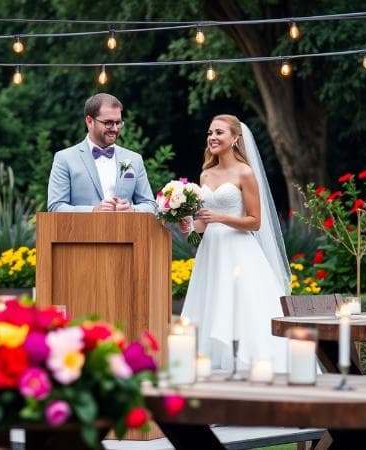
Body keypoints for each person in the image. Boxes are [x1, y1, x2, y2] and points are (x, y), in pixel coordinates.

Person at [180, 114, 292, 372]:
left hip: (239, 250)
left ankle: (248, 362)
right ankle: (211, 363)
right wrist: (188, 227)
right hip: (211, 253)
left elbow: (255, 221)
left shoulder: (245, 173)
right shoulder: (205, 175)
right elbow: (201, 227)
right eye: (210, 133)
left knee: (241, 307)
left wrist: (220, 217)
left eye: (219, 132)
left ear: (235, 138)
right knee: (212, 304)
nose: (213, 138)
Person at [47, 93, 156, 213]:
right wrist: (93, 211)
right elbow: (55, 207)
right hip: (83, 232)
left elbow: (150, 205)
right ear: (89, 121)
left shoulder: (134, 159)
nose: (115, 128)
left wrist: (132, 210)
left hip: (125, 231)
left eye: (118, 123)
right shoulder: (65, 158)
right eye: (108, 123)